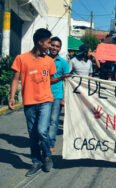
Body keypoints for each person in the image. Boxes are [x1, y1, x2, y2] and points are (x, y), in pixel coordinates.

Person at [8, 28, 70, 177]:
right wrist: (12, 97)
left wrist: (63, 77)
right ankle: (36, 162)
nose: (50, 46)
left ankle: (47, 155)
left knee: (42, 130)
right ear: (39, 42)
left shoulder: (48, 61)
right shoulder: (21, 59)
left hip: (46, 101)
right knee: (33, 135)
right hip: (29, 102)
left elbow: (51, 80)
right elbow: (16, 79)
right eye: (48, 43)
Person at [48, 37, 71, 153]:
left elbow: (67, 81)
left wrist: (65, 98)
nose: (54, 48)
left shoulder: (63, 63)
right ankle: (42, 141)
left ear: (60, 48)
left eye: (57, 46)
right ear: (48, 45)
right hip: (42, 95)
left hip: (57, 96)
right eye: (52, 45)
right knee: (42, 121)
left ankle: (50, 144)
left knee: (53, 121)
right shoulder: (42, 60)